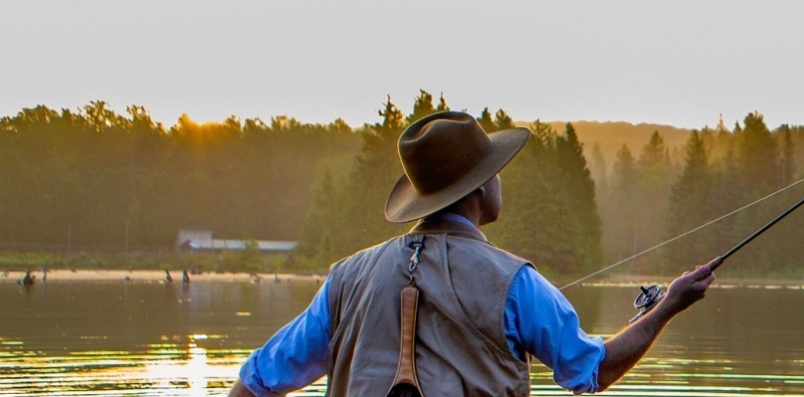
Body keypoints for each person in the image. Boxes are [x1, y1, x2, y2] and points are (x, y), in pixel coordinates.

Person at [229, 111, 717, 396]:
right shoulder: (514, 282)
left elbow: (254, 383)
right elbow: (591, 370)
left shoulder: (344, 280)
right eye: (497, 169)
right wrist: (668, 306)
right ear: (481, 186)